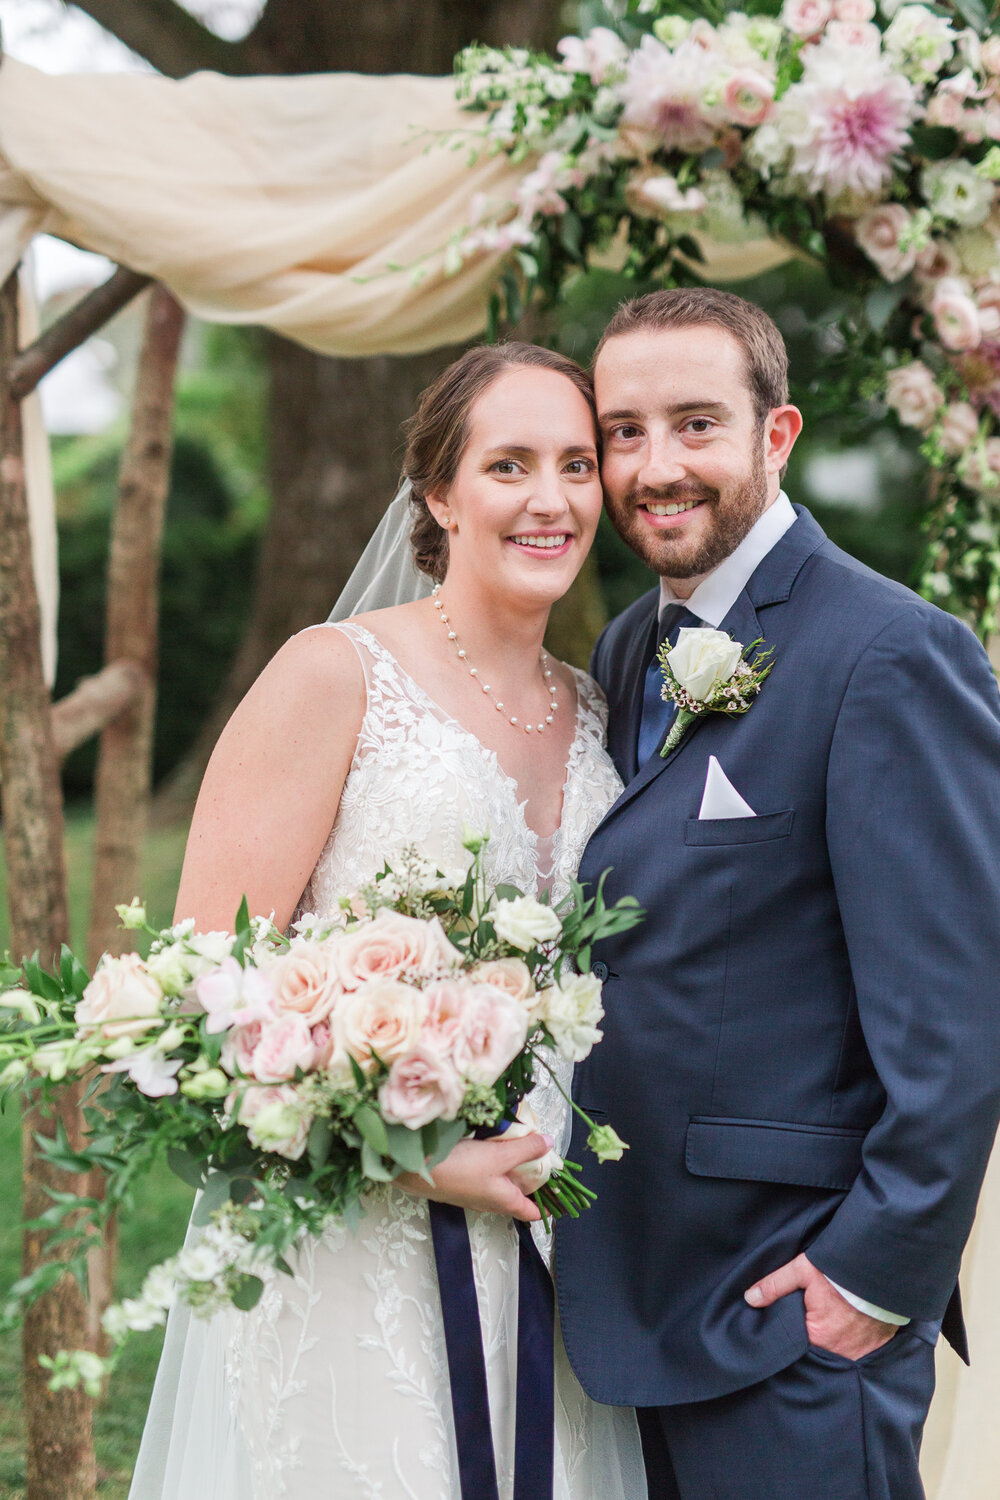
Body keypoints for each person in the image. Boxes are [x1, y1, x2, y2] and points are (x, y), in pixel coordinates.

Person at [129, 341, 647, 1500]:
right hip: (359, 1245)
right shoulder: (334, 676)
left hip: (552, 1249)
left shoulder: (601, 705)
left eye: (575, 463)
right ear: (437, 495)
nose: (551, 498)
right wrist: (419, 1157)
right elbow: (194, 997)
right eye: (509, 464)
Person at [555, 286, 1000, 1500]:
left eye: (695, 424)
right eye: (624, 433)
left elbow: (959, 1014)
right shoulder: (628, 649)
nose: (655, 466)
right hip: (630, 1293)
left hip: (785, 1306)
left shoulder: (891, 654)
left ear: (777, 433)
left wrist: (870, 1277)